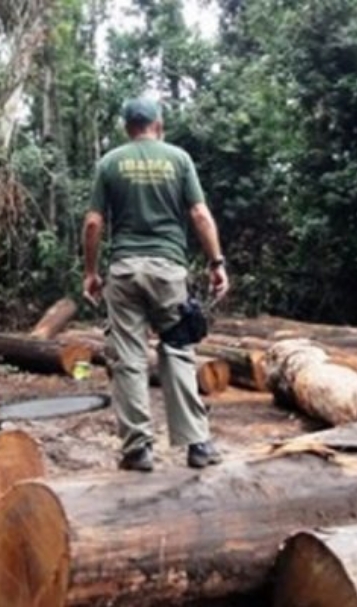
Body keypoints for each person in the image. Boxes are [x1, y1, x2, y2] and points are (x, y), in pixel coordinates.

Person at [81, 97, 229, 472]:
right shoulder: (179, 159)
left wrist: (91, 272)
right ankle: (197, 445)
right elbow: (199, 214)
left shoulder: (110, 162)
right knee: (178, 351)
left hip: (125, 271)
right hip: (168, 271)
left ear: (126, 127)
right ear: (158, 124)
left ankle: (137, 450)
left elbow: (94, 223)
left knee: (128, 358)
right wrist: (217, 263)